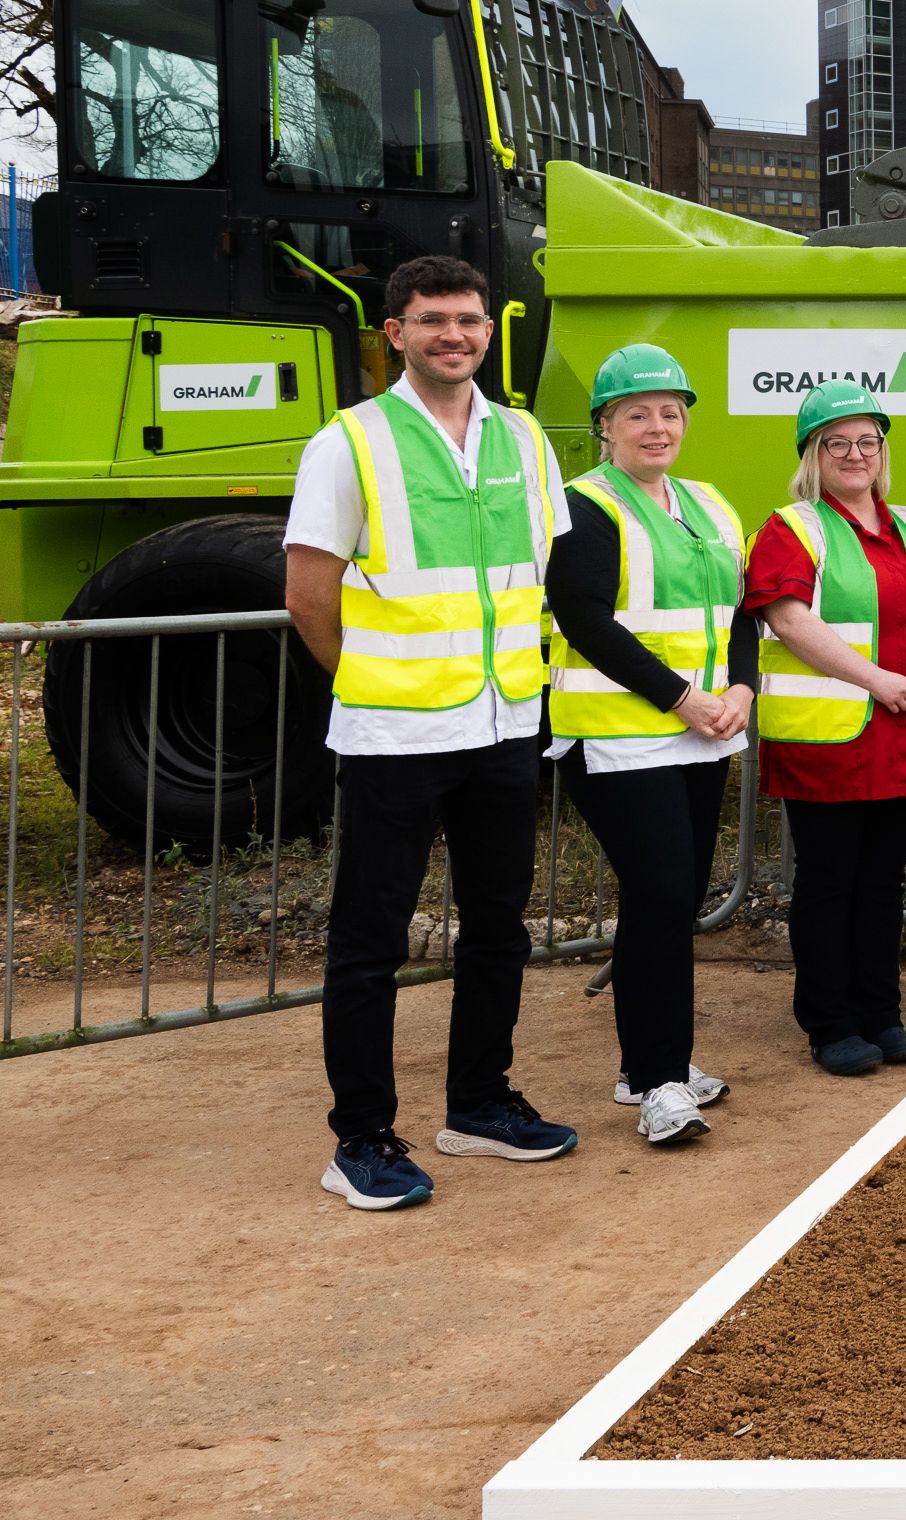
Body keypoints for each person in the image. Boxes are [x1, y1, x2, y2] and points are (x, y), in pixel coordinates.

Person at [284, 255, 575, 1211]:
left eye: (470, 320)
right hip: (395, 737)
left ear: (490, 330)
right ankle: (360, 1139)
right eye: (433, 320)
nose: (456, 335)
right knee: (369, 944)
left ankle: (479, 1105)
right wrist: (368, 683)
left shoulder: (526, 439)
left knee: (499, 929)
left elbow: (539, 575)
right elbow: (309, 595)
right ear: (395, 332)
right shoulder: (349, 442)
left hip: (502, 726)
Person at [543, 344, 756, 1146]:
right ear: (605, 427)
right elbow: (586, 620)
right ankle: (662, 1084)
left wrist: (740, 689)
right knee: (664, 895)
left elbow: (739, 611)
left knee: (667, 902)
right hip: (622, 739)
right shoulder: (585, 506)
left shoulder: (706, 502)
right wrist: (683, 696)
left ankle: (651, 1064)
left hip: (700, 734)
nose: (657, 426)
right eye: (637, 413)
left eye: (670, 411)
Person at [745, 380, 906, 1077]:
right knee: (829, 880)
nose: (855, 454)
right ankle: (830, 1022)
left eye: (867, 441)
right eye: (836, 442)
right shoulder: (793, 527)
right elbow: (788, 618)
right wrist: (880, 681)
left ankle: (882, 1013)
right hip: (833, 735)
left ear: (882, 451)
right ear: (813, 454)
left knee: (882, 879)